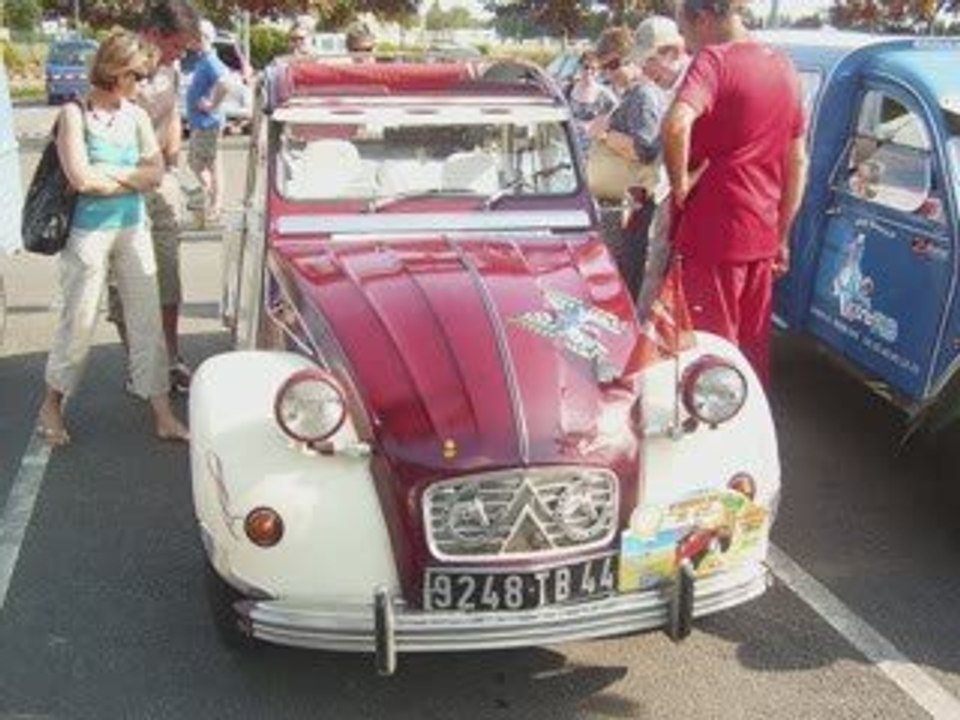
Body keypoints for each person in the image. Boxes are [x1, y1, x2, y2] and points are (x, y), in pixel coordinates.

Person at [37, 30, 189, 445]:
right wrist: (128, 178)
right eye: (137, 76)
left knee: (147, 325)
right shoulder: (74, 113)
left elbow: (154, 173)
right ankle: (52, 404)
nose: (141, 85)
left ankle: (162, 413)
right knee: (79, 321)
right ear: (116, 71)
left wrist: (109, 179)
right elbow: (79, 177)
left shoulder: (135, 116)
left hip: (132, 227)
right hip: (88, 234)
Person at [662, 0, 808, 385]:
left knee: (703, 355)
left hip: (713, 237)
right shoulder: (784, 66)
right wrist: (782, 235)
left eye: (685, 31)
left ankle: (706, 438)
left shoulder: (714, 60)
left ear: (704, 19)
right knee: (748, 350)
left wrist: (679, 186)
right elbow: (798, 162)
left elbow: (677, 124)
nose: (686, 43)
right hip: (761, 236)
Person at [107, 0, 201, 395]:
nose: (180, 54)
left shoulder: (170, 69)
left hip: (160, 182)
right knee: (125, 284)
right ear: (154, 34)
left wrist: (176, 168)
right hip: (121, 187)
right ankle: (139, 366)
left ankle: (170, 358)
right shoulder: (118, 64)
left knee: (166, 274)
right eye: (176, 46)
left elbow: (173, 119)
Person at [596, 16, 687, 300]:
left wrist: (603, 134)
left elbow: (646, 148)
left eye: (613, 65)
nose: (610, 73)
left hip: (637, 202)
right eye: (605, 67)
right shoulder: (642, 93)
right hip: (628, 201)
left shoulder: (645, 95)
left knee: (631, 270)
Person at [186, 18, 229, 224]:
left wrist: (212, 103)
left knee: (201, 163)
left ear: (203, 37)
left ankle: (213, 201)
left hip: (207, 123)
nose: (190, 40)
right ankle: (213, 202)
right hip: (202, 123)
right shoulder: (204, 59)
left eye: (194, 36)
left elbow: (225, 83)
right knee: (205, 163)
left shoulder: (211, 60)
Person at [566, 50, 617, 153]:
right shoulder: (568, 89)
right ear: (580, 67)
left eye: (593, 69)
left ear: (598, 71)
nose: (589, 71)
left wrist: (595, 127)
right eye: (586, 67)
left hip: (592, 150)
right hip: (569, 147)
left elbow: (616, 114)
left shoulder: (604, 94)